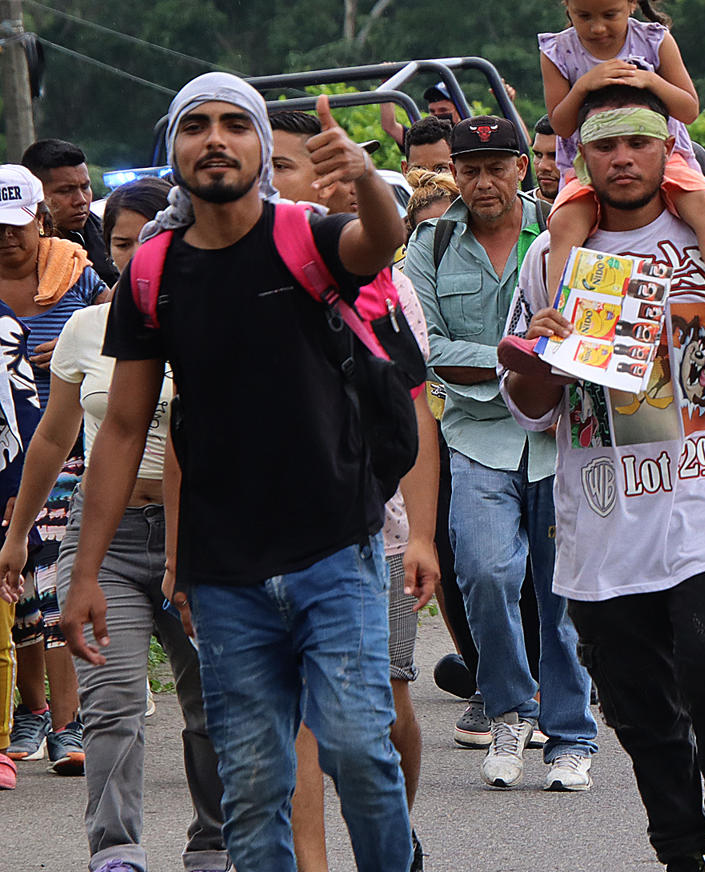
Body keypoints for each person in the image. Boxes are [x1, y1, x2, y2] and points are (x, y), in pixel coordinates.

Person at [65, 74, 428, 872]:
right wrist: (85, 571)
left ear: (263, 149)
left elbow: (381, 242)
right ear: (174, 148)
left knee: (362, 756)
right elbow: (125, 427)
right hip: (224, 572)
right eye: (196, 125)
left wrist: (364, 177)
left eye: (236, 123)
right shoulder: (156, 271)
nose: (216, 138)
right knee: (253, 787)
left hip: (335, 546)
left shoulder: (308, 235)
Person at [499, 83, 705, 872]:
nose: (622, 158)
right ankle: (679, 845)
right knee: (638, 710)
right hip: (605, 522)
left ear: (665, 150)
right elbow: (528, 402)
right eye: (604, 146)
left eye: (637, 143)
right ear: (583, 159)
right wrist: (545, 352)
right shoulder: (551, 257)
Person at [0, 178, 226, 864]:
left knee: (214, 702)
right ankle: (115, 849)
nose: (138, 255)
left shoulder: (218, 326)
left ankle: (214, 843)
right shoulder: (87, 328)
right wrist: (17, 537)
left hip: (204, 541)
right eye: (124, 243)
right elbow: (49, 438)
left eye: (153, 241)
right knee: (113, 700)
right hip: (109, 539)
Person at [269, 111, 446, 872]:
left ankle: (391, 837)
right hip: (267, 535)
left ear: (323, 180)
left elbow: (411, 414)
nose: (265, 176)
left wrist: (422, 535)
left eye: (283, 164)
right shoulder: (214, 269)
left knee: (382, 713)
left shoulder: (384, 283)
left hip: (374, 531)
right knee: (301, 722)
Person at [403, 116, 598, 792]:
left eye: (496, 167)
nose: (483, 182)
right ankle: (512, 709)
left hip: (557, 436)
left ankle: (571, 736)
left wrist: (536, 362)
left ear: (522, 165)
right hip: (476, 437)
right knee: (484, 575)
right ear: (451, 173)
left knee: (559, 591)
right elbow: (429, 352)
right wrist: (523, 355)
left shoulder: (567, 229)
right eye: (469, 168)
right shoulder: (429, 243)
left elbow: (590, 332)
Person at [521, 0, 705, 360]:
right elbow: (561, 125)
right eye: (584, 16)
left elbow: (688, 108)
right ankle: (560, 322)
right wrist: (585, 84)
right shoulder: (557, 51)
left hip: (663, 156)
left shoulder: (653, 41)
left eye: (610, 15)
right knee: (564, 223)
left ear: (632, 2)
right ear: (566, 7)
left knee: (704, 209)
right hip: (588, 162)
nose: (598, 28)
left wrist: (650, 81)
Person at [0, 163, 106, 772]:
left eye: (19, 225)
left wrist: (71, 339)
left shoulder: (75, 272)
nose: (9, 238)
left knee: (57, 577)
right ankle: (32, 710)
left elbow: (121, 324)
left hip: (67, 445)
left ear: (40, 219)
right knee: (15, 587)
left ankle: (69, 724)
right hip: (2, 452)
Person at [23, 138, 117, 284]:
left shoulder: (109, 235)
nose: (81, 200)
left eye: (85, 187)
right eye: (66, 191)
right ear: (36, 195)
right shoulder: (14, 247)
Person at [531, 115, 564, 202]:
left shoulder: (600, 210)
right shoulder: (518, 211)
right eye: (538, 155)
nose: (542, 166)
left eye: (555, 156)